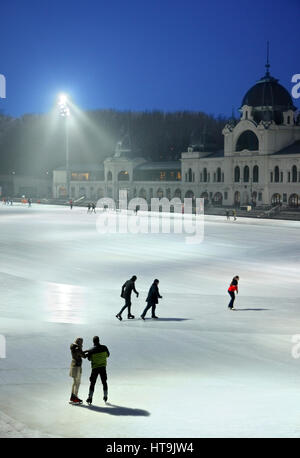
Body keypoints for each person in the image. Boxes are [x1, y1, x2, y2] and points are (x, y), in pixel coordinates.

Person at [86, 336, 110, 405]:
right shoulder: (104, 347)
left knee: (92, 383)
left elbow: (89, 359)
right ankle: (105, 396)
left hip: (95, 368)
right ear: (99, 340)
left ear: (93, 342)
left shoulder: (91, 350)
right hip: (103, 367)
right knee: (104, 382)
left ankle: (90, 397)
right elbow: (108, 355)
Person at [69, 337, 86, 404]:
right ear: (79, 342)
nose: (82, 344)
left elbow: (80, 354)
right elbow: (84, 356)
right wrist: (81, 349)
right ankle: (75, 397)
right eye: (81, 342)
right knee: (77, 382)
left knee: (74, 382)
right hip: (77, 367)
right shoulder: (77, 348)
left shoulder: (73, 347)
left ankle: (73, 396)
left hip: (73, 366)